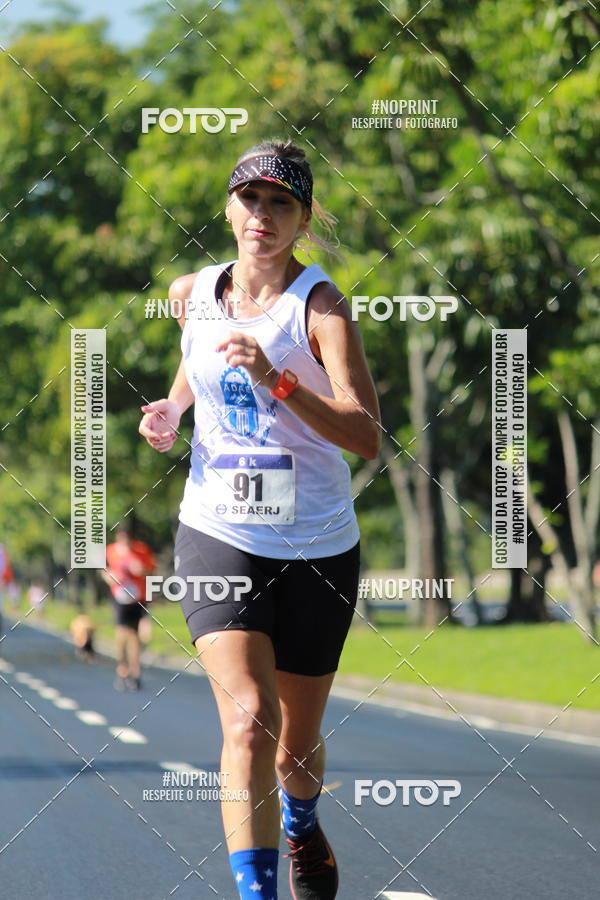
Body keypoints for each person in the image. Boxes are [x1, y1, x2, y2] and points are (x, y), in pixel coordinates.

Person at [138, 139, 380, 899]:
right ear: (229, 207)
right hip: (220, 532)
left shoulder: (322, 306)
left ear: (303, 219)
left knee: (295, 748)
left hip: (317, 543)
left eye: (281, 203)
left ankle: (303, 823)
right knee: (250, 721)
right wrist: (174, 408)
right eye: (251, 199)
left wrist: (277, 381)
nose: (263, 216)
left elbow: (367, 434)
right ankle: (256, 892)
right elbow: (196, 353)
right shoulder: (192, 291)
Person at [103, 526, 156, 691]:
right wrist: (110, 577)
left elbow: (151, 570)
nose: (124, 540)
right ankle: (122, 669)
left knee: (135, 636)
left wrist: (141, 570)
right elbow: (103, 571)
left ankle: (135, 672)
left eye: (127, 537)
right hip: (120, 597)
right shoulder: (110, 551)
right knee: (121, 636)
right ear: (118, 537)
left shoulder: (141, 550)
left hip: (139, 597)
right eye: (121, 537)